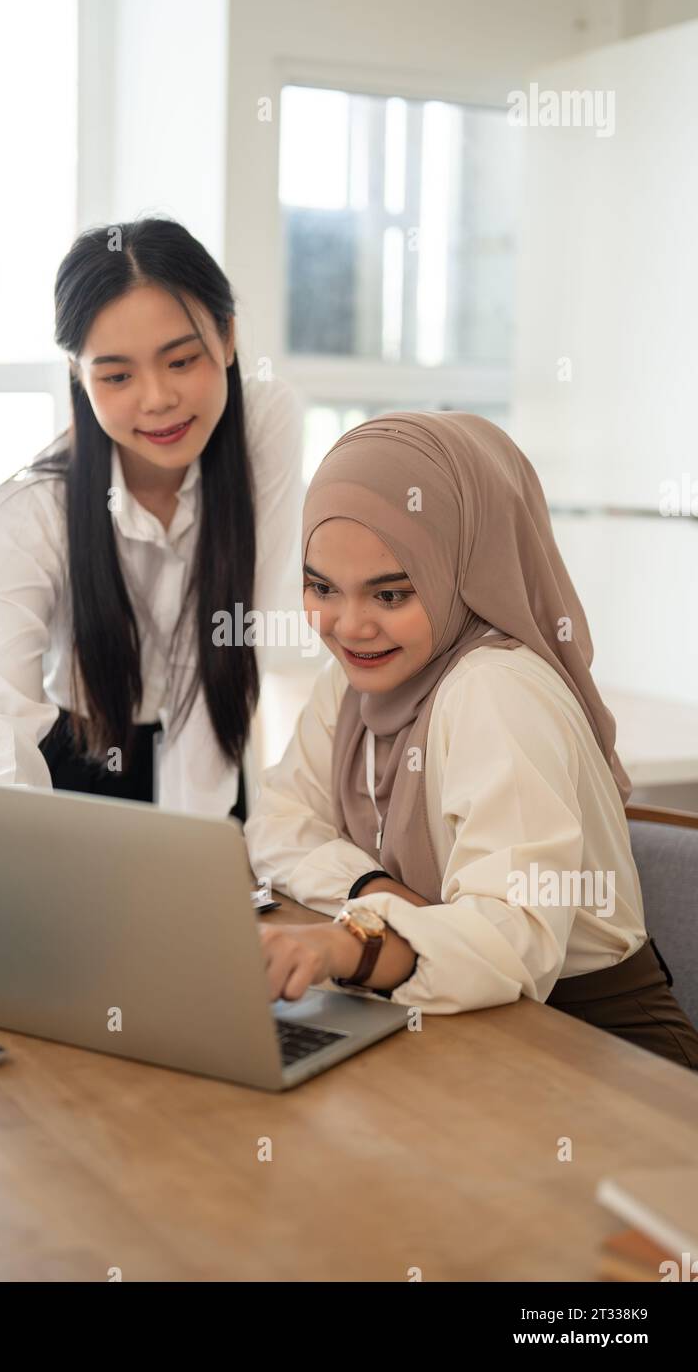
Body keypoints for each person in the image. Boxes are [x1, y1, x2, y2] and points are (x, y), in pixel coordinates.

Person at [245, 411, 698, 1071]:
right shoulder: (354, 684)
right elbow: (278, 824)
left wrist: (348, 943)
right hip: (465, 1029)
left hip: (602, 1062)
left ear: (462, 568)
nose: (348, 626)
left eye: (391, 593)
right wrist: (378, 892)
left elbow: (514, 939)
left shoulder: (496, 690)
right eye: (321, 589)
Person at [0, 218, 303, 817]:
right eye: (116, 375)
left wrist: (189, 846)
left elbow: (238, 633)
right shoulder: (30, 510)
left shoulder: (264, 426)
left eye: (181, 360)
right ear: (77, 372)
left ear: (226, 338)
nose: (156, 399)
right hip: (79, 766)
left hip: (213, 747)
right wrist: (11, 860)